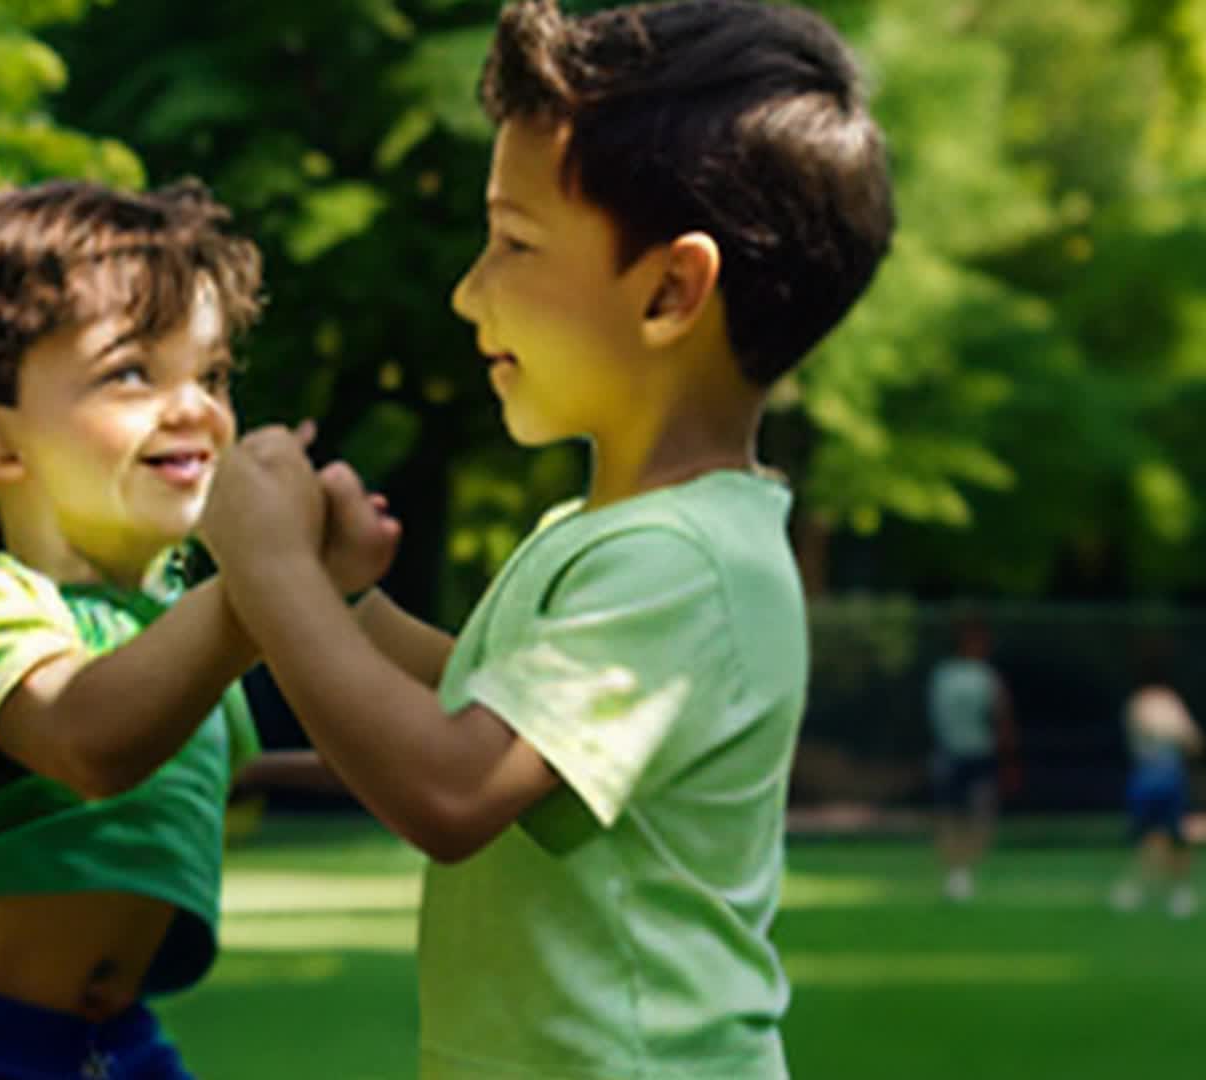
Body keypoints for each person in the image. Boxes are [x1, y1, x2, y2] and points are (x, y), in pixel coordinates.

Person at [200, 2, 893, 1075]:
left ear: (671, 290)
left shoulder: (680, 565)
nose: (468, 289)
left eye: (513, 242)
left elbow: (452, 788)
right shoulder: (617, 536)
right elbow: (476, 709)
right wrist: (345, 605)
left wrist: (266, 562)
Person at [0, 178, 394, 1079]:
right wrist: (266, 575)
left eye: (211, 374)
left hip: (108, 1046)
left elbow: (210, 773)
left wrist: (340, 599)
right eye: (133, 371)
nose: (197, 406)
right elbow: (92, 742)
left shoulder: (170, 623)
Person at [927, 614, 1017, 902]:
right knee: (954, 816)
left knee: (976, 815)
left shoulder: (951, 675)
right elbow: (1003, 719)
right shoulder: (979, 677)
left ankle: (963, 870)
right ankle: (957, 872)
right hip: (958, 754)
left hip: (977, 756)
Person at [1110, 651, 1205, 918]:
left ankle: (1170, 890)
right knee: (1152, 836)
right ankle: (1152, 888)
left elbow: (1192, 741)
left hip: (1164, 777)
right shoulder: (1143, 703)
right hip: (1151, 777)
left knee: (1170, 836)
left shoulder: (1162, 702)